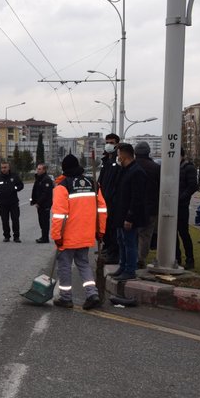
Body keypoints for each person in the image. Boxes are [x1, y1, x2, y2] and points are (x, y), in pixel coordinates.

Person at [51, 154, 107, 310]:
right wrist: (100, 231)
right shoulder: (93, 184)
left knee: (64, 266)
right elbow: (102, 209)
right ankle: (92, 294)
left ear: (64, 168)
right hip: (86, 233)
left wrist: (57, 235)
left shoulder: (63, 186)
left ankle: (66, 297)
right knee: (83, 264)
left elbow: (59, 215)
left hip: (68, 235)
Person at [109, 143, 147, 281]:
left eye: (118, 154)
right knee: (121, 241)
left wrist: (130, 217)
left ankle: (130, 269)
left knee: (129, 242)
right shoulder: (124, 170)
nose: (117, 157)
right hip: (120, 213)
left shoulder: (137, 172)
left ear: (124, 154)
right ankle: (123, 266)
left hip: (129, 216)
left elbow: (137, 198)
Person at [134, 142, 161, 268]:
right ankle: (141, 259)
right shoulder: (156, 168)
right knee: (145, 235)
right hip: (151, 207)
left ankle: (131, 257)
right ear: (148, 152)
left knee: (132, 234)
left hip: (133, 207)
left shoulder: (131, 166)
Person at [98, 133, 122, 263]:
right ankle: (107, 247)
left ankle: (113, 253)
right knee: (105, 226)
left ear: (117, 144)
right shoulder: (105, 160)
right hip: (104, 199)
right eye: (107, 142)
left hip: (113, 200)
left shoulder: (117, 161)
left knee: (112, 227)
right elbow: (102, 179)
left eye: (112, 143)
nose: (109, 145)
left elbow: (116, 182)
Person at [0, 162, 24, 242]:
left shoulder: (14, 176)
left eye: (5, 167)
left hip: (13, 202)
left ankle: (16, 237)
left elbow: (21, 185)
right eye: (2, 167)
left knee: (15, 219)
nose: (4, 169)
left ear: (8, 168)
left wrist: (15, 188)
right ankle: (6, 236)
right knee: (4, 220)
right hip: (2, 203)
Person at [176, 148, 198, 269]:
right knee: (172, 234)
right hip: (172, 204)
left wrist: (181, 198)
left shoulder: (188, 168)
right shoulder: (174, 167)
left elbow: (192, 186)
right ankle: (176, 257)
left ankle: (190, 259)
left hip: (182, 205)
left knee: (183, 232)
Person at [31, 163, 53, 243]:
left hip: (45, 204)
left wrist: (38, 202)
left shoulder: (46, 179)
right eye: (37, 169)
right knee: (41, 221)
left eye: (40, 169)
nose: (38, 170)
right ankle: (43, 236)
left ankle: (45, 238)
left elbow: (45, 193)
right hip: (40, 204)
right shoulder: (39, 179)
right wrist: (33, 200)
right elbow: (35, 190)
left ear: (44, 170)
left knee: (44, 221)